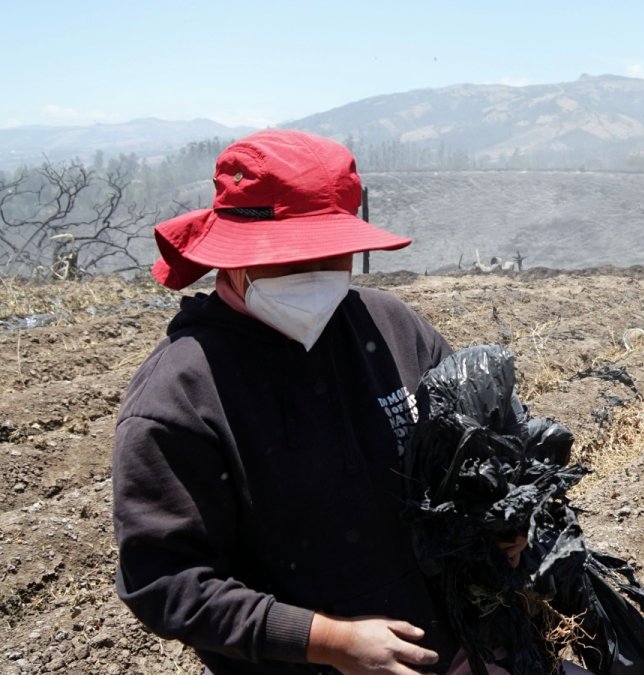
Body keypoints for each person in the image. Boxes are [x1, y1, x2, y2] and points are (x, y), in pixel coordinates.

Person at [111, 129, 531, 674]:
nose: (313, 278)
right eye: (288, 260)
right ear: (233, 256)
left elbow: (473, 454)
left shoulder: (391, 327)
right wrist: (329, 641)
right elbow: (164, 581)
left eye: (330, 257)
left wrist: (504, 522)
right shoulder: (182, 394)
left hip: (451, 640)